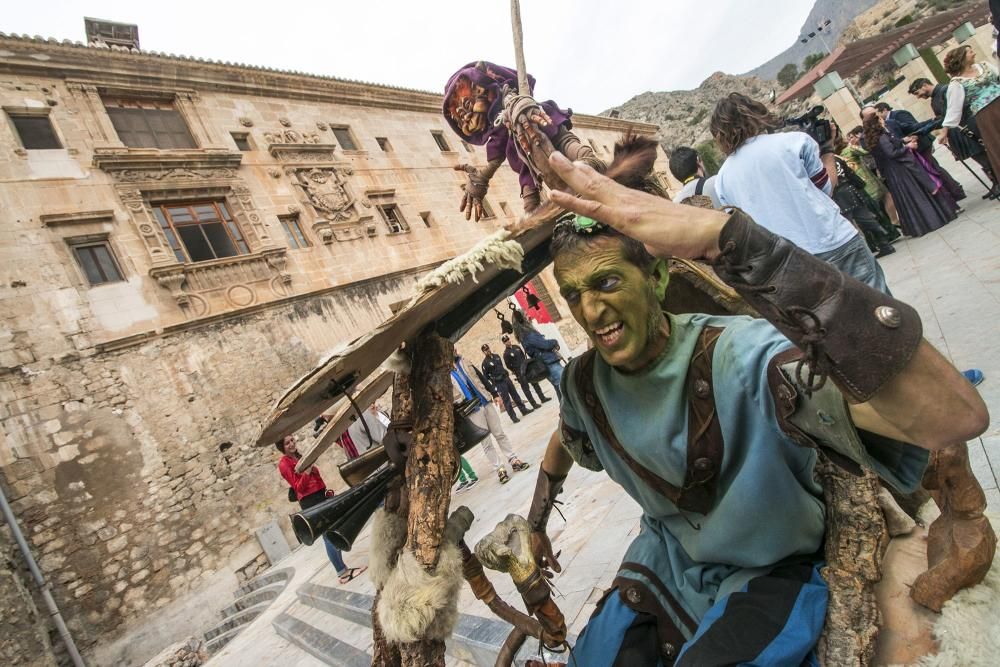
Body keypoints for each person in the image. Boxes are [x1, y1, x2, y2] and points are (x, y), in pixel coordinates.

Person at [524, 150, 989, 665]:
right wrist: (537, 518)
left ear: (655, 278)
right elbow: (568, 438)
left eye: (608, 282)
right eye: (573, 294)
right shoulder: (583, 384)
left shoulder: (747, 357)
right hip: (665, 563)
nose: (590, 311)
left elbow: (954, 416)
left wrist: (727, 238)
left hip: (772, 568)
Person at [710, 93, 890, 292]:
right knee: (879, 306)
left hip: (786, 264)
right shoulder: (794, 142)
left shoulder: (723, 178)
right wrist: (828, 151)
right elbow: (826, 187)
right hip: (831, 241)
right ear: (755, 114)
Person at [276, 435, 366, 584]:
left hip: (320, 496)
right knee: (328, 534)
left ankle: (342, 570)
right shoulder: (284, 463)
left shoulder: (298, 457)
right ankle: (342, 573)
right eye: (287, 443)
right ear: (282, 447)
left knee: (332, 531)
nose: (292, 444)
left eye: (292, 440)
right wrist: (307, 471)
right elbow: (298, 487)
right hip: (310, 501)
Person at [861, 112, 958, 238]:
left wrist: (902, 140)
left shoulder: (875, 137)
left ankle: (920, 224)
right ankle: (930, 221)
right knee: (916, 194)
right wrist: (908, 147)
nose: (883, 119)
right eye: (879, 118)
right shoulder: (881, 136)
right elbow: (891, 153)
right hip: (900, 170)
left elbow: (889, 146)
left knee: (909, 197)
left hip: (893, 171)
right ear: (876, 122)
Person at [908, 77, 998, 198]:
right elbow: (942, 120)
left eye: (917, 93)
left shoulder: (946, 90)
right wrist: (921, 132)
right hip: (960, 132)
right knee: (979, 158)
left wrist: (924, 131)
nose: (918, 97)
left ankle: (998, 183)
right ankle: (995, 183)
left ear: (924, 85)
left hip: (967, 128)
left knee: (984, 157)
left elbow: (950, 115)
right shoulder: (934, 99)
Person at [451, 355, 531, 484]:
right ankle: (499, 469)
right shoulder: (445, 372)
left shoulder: (465, 361)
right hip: (471, 410)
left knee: (499, 433)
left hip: (484, 401)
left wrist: (494, 394)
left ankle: (513, 460)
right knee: (486, 442)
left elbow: (481, 377)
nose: (454, 350)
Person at [874, 102, 966, 203]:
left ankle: (955, 192)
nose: (878, 117)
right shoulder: (886, 124)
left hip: (921, 145)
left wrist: (930, 123)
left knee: (934, 169)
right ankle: (952, 193)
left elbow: (914, 127)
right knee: (932, 170)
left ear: (884, 110)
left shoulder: (899, 115)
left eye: (878, 113)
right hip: (912, 149)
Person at [942, 45, 1000, 182]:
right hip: (987, 116)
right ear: (961, 58)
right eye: (969, 51)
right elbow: (953, 110)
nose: (973, 52)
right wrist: (944, 132)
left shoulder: (985, 66)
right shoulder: (956, 84)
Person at [842, 125, 902, 226]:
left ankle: (887, 223)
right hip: (867, 177)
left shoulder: (837, 154)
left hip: (858, 179)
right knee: (885, 195)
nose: (849, 139)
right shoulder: (850, 149)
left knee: (876, 201)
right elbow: (867, 152)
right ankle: (894, 220)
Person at [511, 310, 564, 401]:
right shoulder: (528, 335)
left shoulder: (525, 335)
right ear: (522, 319)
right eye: (525, 314)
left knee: (560, 389)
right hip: (549, 363)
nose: (528, 316)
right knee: (565, 386)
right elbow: (545, 345)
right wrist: (554, 341)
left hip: (547, 363)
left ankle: (564, 413)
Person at [481, 343, 533, 422]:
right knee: (506, 400)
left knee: (515, 395)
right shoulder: (485, 363)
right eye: (485, 350)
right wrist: (494, 384)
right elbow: (486, 377)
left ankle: (523, 409)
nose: (487, 350)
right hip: (499, 383)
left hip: (506, 379)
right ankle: (513, 417)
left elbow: (501, 366)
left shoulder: (496, 356)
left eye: (487, 348)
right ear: (483, 352)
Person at [502, 333, 551, 408]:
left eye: (508, 340)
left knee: (535, 382)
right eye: (505, 341)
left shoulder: (516, 347)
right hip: (519, 372)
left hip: (526, 368)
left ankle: (542, 398)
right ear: (504, 343)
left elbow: (522, 356)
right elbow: (508, 366)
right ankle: (533, 404)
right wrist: (516, 370)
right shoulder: (506, 353)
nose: (508, 342)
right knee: (526, 388)